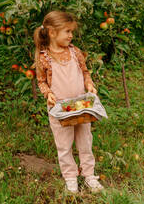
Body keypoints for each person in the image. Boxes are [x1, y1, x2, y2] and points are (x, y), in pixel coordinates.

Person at [34, 11, 104, 194]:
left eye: (71, 32)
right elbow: (41, 81)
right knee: (64, 145)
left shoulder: (75, 52)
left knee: (85, 141)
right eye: (67, 31)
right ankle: (70, 177)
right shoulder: (44, 57)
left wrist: (89, 84)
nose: (71, 35)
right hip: (60, 110)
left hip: (81, 107)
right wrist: (47, 93)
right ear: (51, 32)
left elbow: (85, 71)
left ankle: (89, 175)